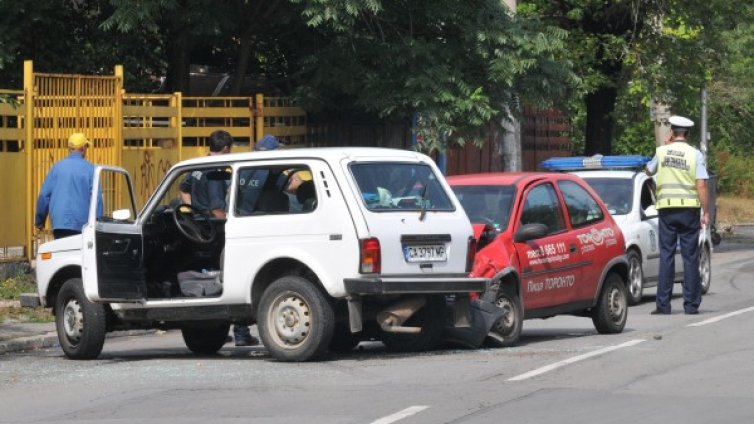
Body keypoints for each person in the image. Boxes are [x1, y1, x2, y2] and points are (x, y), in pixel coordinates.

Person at [179, 130, 259, 346]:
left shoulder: (198, 165)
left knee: (209, 277)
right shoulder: (216, 170)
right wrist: (226, 225)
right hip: (214, 230)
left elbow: (183, 190)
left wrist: (193, 211)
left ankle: (213, 328)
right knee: (233, 274)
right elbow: (216, 207)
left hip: (197, 228)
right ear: (226, 149)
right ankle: (241, 331)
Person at [645, 115, 710, 315]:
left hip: (666, 209)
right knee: (690, 257)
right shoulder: (695, 155)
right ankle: (691, 305)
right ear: (688, 134)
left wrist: (665, 147)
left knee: (667, 255)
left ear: (672, 133)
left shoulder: (662, 151)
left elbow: (648, 171)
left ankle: (663, 305)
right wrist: (705, 211)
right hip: (689, 210)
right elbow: (701, 185)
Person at [35, 133, 101, 239]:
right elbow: (97, 198)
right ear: (83, 148)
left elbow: (44, 196)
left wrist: (40, 221)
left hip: (59, 223)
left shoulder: (56, 168)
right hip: (82, 225)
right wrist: (98, 222)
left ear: (69, 149)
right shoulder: (91, 169)